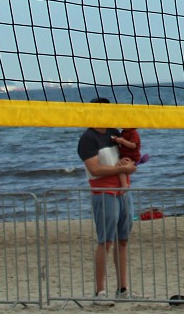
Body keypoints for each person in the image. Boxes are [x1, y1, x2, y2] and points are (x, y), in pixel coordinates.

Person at [77, 98, 137, 305]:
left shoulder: (113, 132)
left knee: (123, 240)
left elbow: (125, 157)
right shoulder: (88, 138)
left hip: (123, 191)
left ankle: (123, 289)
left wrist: (128, 163)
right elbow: (94, 169)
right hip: (104, 192)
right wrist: (122, 168)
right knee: (106, 241)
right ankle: (99, 293)